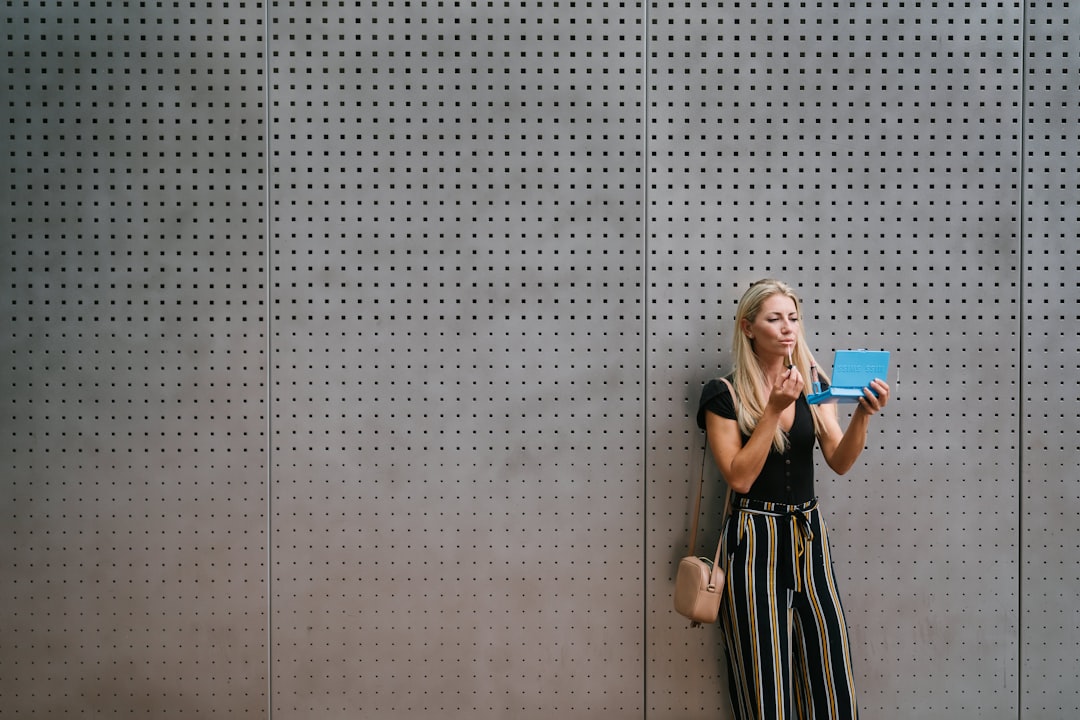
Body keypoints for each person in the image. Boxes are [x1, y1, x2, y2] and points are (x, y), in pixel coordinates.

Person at [695, 279, 890, 720]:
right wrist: (770, 411)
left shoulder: (814, 384)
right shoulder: (722, 394)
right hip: (754, 540)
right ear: (748, 328)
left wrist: (862, 413)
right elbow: (740, 478)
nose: (788, 328)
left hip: (808, 535)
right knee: (765, 683)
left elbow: (839, 460)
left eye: (793, 318)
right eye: (774, 318)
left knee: (832, 673)